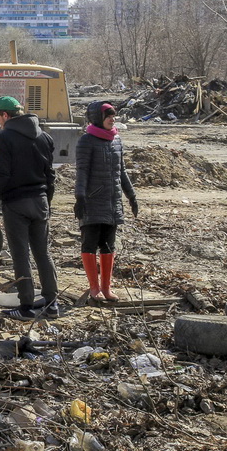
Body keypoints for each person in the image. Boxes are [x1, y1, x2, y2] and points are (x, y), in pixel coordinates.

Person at [0, 95, 58, 320]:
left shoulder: (5, 137)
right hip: (40, 202)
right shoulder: (44, 137)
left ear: (6, 115)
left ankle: (26, 307)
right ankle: (52, 304)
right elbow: (51, 175)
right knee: (43, 254)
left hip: (16, 204)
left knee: (21, 256)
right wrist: (47, 200)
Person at [75, 101, 138, 302]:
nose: (112, 119)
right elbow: (82, 171)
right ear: (98, 118)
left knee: (109, 245)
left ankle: (106, 288)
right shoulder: (86, 140)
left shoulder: (117, 140)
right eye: (108, 116)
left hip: (112, 202)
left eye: (113, 116)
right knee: (90, 243)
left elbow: (122, 172)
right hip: (92, 201)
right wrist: (80, 197)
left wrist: (132, 196)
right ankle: (94, 288)